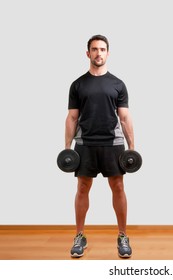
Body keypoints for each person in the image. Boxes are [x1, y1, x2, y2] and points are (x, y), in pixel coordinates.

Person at [65, 34, 135, 258]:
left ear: (108, 53)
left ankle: (122, 235)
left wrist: (132, 146)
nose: (98, 53)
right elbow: (72, 118)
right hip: (85, 143)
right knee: (82, 188)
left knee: (118, 188)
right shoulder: (78, 84)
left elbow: (124, 117)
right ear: (88, 53)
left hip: (113, 144)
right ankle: (79, 236)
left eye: (102, 49)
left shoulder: (118, 84)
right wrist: (67, 147)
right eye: (94, 49)